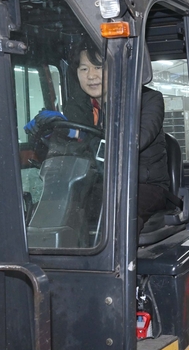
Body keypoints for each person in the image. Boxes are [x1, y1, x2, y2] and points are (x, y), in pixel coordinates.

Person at [25, 41, 170, 235]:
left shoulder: (148, 100)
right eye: (84, 68)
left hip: (140, 184)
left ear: (118, 69)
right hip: (94, 181)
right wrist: (50, 133)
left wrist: (79, 134)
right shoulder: (79, 105)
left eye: (99, 67)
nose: (91, 76)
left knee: (114, 216)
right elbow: (67, 151)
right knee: (47, 211)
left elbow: (133, 141)